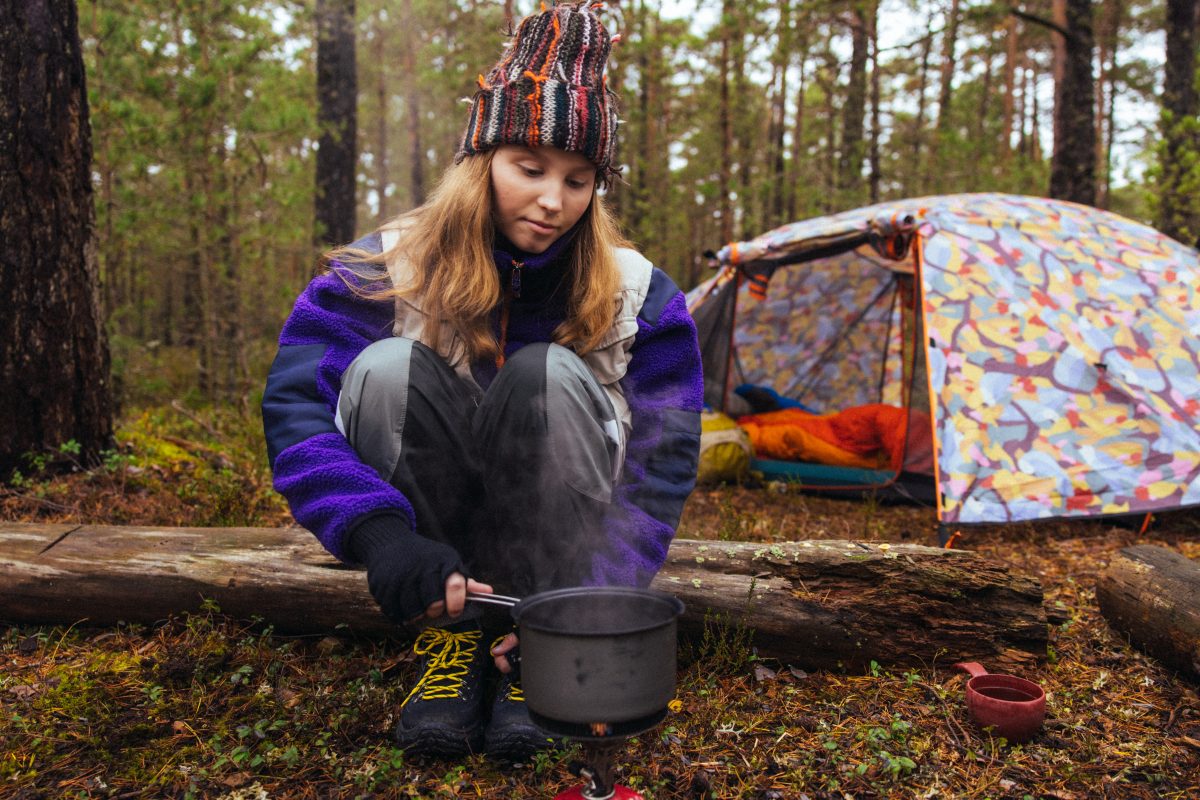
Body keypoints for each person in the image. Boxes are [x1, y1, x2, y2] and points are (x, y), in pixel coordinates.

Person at [261, 0, 701, 762]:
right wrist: (381, 535)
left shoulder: (640, 296)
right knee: (387, 367)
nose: (552, 201)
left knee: (545, 374)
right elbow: (297, 406)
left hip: (562, 564)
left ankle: (536, 642)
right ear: (480, 160)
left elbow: (662, 462)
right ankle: (455, 643)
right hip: (436, 546)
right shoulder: (380, 269)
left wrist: (590, 605)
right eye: (528, 169)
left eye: (577, 179)